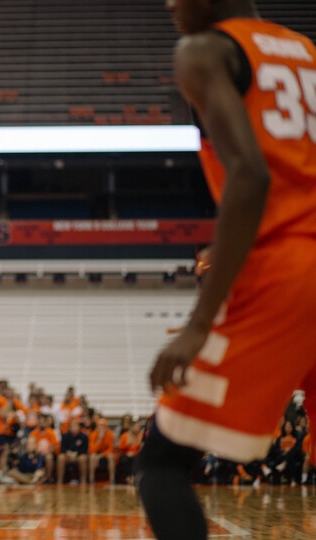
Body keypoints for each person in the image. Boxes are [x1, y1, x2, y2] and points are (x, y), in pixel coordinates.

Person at [137, 1, 316, 539]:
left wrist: (197, 324)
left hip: (289, 268)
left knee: (161, 464)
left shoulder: (204, 51)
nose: (169, 4)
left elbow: (251, 178)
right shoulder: (307, 52)